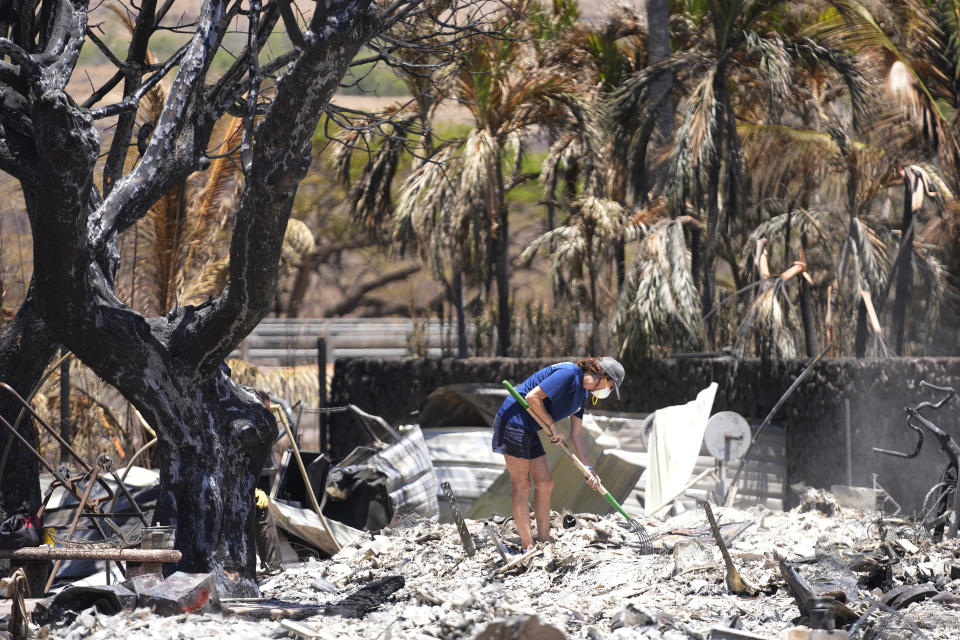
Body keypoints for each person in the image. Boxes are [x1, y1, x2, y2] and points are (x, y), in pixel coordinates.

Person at [493, 357, 625, 551]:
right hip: (512, 422)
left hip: (530, 428)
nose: (608, 391)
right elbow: (531, 398)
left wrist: (588, 469)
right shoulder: (568, 373)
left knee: (546, 482)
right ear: (601, 375)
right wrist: (553, 426)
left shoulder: (583, 395)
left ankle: (545, 541)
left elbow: (576, 434)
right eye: (611, 386)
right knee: (522, 485)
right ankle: (527, 546)